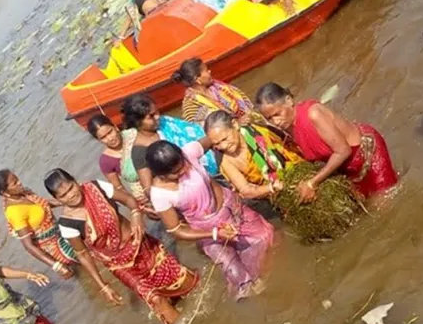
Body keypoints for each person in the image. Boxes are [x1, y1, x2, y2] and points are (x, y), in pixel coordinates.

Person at [45, 169, 198, 324]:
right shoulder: (67, 224)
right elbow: (82, 254)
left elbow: (129, 200)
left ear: (76, 181)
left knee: (182, 281)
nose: (70, 195)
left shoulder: (96, 188)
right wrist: (103, 285)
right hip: (120, 265)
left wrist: (136, 216)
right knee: (154, 298)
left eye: (71, 188)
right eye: (63, 195)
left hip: (141, 245)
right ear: (57, 199)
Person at [146, 138, 274, 300]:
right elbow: (176, 230)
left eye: (183, 165)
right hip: (206, 230)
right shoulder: (160, 194)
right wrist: (214, 234)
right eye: (176, 173)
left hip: (232, 209)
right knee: (236, 275)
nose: (183, 171)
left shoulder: (190, 152)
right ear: (161, 175)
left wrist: (229, 166)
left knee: (264, 241)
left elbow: (213, 138)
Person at [255, 83, 399, 200]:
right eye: (269, 118)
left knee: (385, 200)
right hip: (346, 167)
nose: (276, 121)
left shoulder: (314, 114)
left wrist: (312, 183)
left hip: (368, 153)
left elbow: (343, 151)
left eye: (277, 114)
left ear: (289, 101)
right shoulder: (287, 127)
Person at [121, 94, 219, 201]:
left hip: (212, 166)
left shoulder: (165, 122)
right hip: (193, 192)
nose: (158, 116)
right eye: (151, 116)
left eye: (157, 112)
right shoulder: (140, 150)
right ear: (137, 122)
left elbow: (194, 133)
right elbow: (149, 189)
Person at [0, 170, 76, 278]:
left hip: (60, 233)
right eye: (15, 183)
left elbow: (41, 204)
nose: (20, 183)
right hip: (56, 248)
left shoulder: (23, 194)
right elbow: (28, 246)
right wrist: (57, 266)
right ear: (5, 193)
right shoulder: (15, 212)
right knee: (85, 258)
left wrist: (67, 200)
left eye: (17, 179)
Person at [203, 111, 300, 199]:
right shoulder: (224, 160)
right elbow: (245, 190)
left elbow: (290, 149)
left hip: (295, 171)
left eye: (225, 139)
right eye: (217, 143)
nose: (223, 146)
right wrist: (272, 187)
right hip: (271, 195)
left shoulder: (259, 131)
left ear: (235, 125)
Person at [172, 57, 262, 125]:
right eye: (206, 71)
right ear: (197, 79)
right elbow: (206, 131)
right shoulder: (191, 106)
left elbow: (242, 99)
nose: (210, 71)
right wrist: (236, 123)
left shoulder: (218, 86)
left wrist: (249, 116)